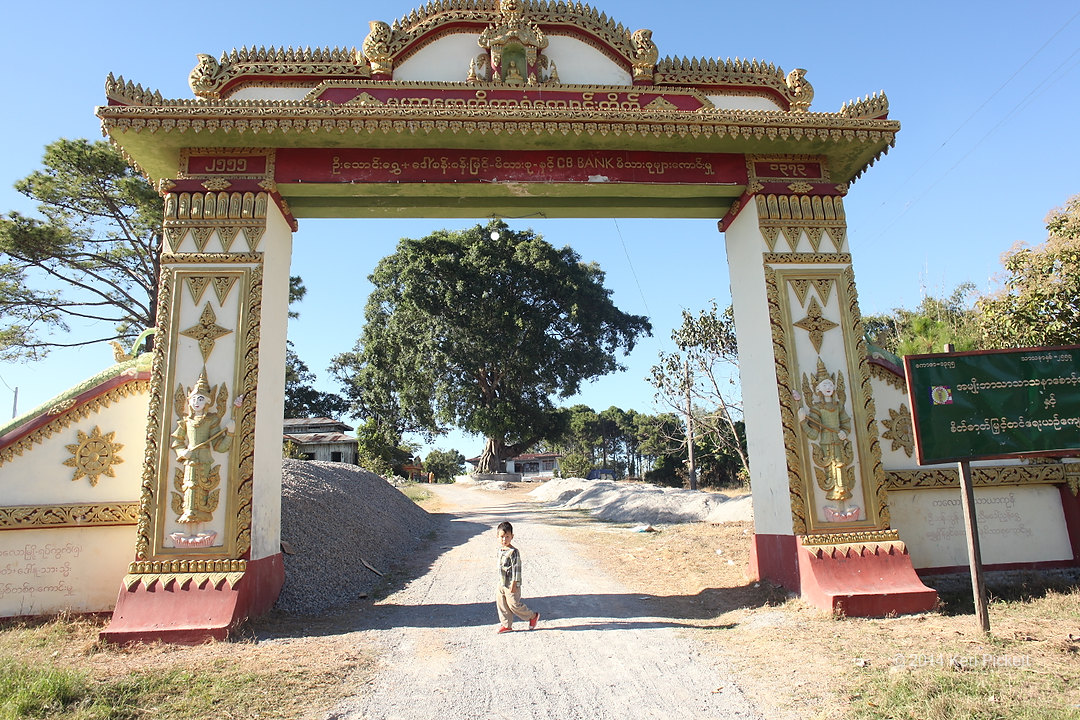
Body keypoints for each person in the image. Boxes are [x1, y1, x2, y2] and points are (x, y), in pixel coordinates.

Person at [495, 521, 539, 633]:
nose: (504, 539)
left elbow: (517, 569)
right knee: (502, 604)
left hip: (511, 584)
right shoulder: (500, 550)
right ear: (497, 537)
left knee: (514, 604)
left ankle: (532, 616)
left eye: (507, 537)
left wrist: (514, 584)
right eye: (502, 537)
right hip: (502, 583)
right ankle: (506, 625)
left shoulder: (514, 552)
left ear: (512, 537)